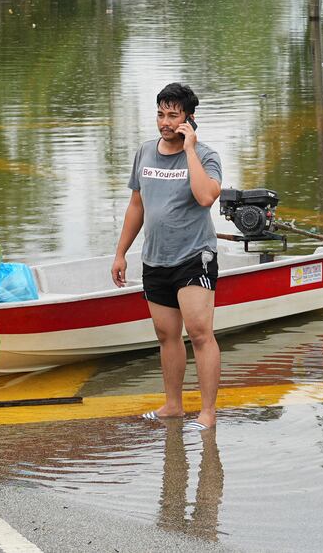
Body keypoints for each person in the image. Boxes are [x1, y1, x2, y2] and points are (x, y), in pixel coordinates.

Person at [111, 82, 224, 432]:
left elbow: (206, 197)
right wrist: (121, 254)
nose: (164, 122)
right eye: (161, 114)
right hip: (155, 259)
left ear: (188, 118)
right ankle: (173, 406)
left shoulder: (206, 156)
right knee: (166, 335)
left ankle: (207, 413)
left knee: (200, 333)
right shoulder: (145, 153)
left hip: (194, 257)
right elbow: (136, 205)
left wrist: (189, 150)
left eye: (172, 115)